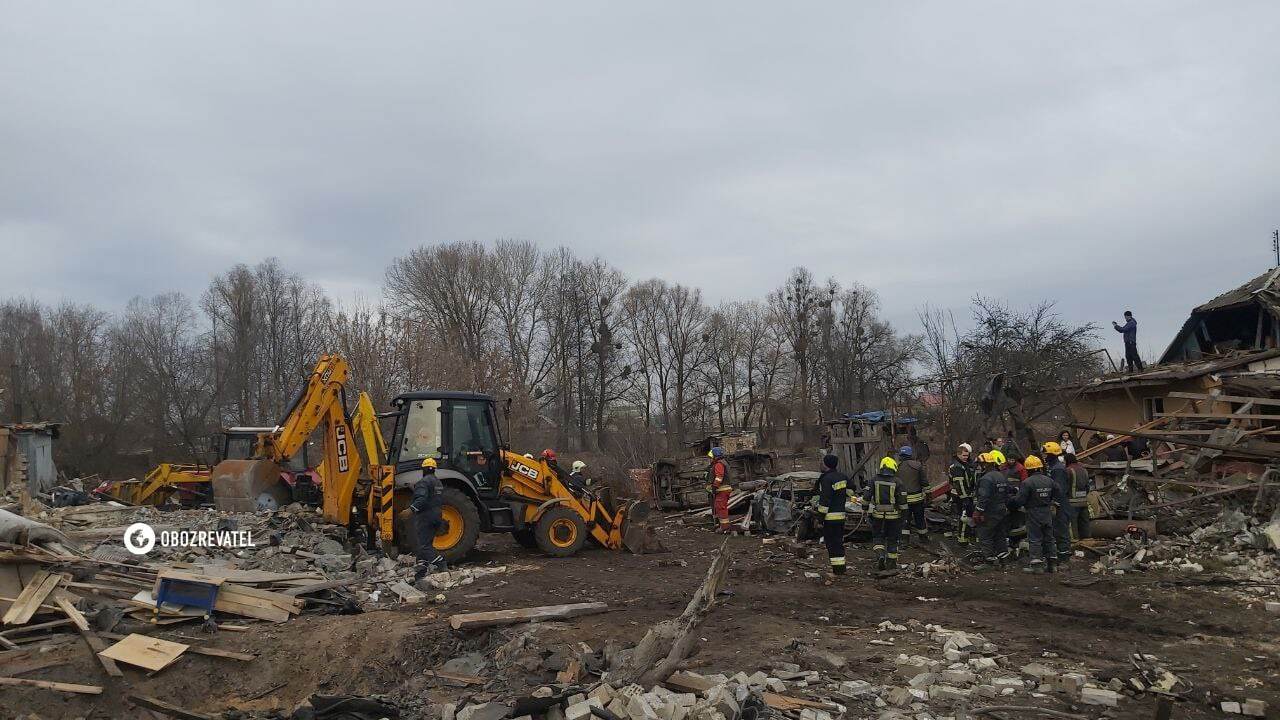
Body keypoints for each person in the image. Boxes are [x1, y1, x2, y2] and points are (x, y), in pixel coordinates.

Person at [1008, 455, 1066, 574]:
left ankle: (1037, 565)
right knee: (1049, 537)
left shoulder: (1027, 482)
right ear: (1039, 467)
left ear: (1028, 469)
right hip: (1047, 511)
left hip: (1033, 512)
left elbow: (1019, 500)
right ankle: (1052, 564)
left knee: (1035, 538)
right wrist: (1050, 500)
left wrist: (1010, 501)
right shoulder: (1048, 480)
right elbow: (1059, 491)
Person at [862, 456, 910, 571]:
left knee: (878, 537)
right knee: (893, 539)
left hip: (878, 515)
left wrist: (864, 508)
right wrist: (905, 516)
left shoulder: (873, 480)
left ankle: (880, 556)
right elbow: (903, 502)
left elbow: (866, 497)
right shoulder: (898, 482)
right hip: (894, 517)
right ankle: (892, 564)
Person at [973, 452, 1012, 567]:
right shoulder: (1001, 476)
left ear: (985, 464)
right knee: (1000, 535)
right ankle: (1003, 558)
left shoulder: (986, 479)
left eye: (980, 464)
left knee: (985, 535)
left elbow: (983, 497)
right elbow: (1007, 493)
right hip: (1001, 510)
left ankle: (989, 561)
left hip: (989, 512)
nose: (978, 467)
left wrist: (978, 511)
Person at [409, 457, 446, 578]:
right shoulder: (438, 483)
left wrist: (411, 509)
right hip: (437, 516)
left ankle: (441, 563)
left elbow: (422, 499)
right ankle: (421, 570)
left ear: (423, 469)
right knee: (426, 543)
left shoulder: (423, 482)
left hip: (426, 517)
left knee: (424, 546)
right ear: (434, 469)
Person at [817, 454, 850, 576]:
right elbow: (852, 489)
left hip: (830, 518)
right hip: (841, 516)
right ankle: (840, 568)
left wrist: (820, 520)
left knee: (832, 544)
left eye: (822, 462)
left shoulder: (826, 479)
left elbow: (825, 501)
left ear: (826, 464)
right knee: (838, 543)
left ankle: (838, 570)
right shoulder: (842, 476)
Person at [1042, 441, 1073, 566]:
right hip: (1058, 503)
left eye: (1046, 454)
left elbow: (1059, 488)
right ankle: (1060, 554)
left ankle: (1064, 556)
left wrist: (1054, 502)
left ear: (1052, 455)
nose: (1044, 456)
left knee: (1061, 529)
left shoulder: (1058, 469)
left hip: (1060, 504)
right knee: (1057, 529)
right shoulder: (1053, 467)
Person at [896, 445, 928, 546]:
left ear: (900, 455)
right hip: (918, 499)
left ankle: (904, 541)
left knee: (905, 520)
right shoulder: (918, 466)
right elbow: (924, 482)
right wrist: (929, 495)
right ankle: (923, 539)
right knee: (920, 519)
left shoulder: (897, 467)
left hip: (903, 500)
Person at [947, 443, 978, 545]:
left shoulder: (964, 464)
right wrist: (965, 498)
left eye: (967, 455)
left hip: (965, 494)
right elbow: (960, 484)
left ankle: (965, 537)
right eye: (964, 455)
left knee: (966, 516)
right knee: (964, 517)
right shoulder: (957, 466)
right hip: (960, 495)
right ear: (958, 454)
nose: (966, 457)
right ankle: (963, 540)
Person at [1064, 453, 1093, 540]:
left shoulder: (1068, 470)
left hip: (1072, 503)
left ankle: (1076, 543)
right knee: (1085, 524)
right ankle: (1088, 541)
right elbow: (1087, 487)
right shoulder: (1084, 470)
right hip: (1084, 502)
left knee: (1073, 526)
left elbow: (1065, 487)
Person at [708, 447, 731, 533]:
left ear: (715, 455)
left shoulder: (719, 464)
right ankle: (722, 525)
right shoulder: (724, 463)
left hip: (722, 489)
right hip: (724, 489)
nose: (711, 458)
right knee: (719, 508)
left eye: (712, 456)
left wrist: (714, 487)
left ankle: (724, 528)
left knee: (721, 508)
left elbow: (719, 477)